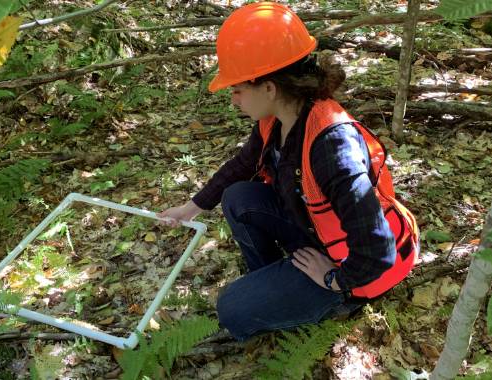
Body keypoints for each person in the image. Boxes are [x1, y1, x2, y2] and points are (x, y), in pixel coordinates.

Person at [158, 2, 419, 341]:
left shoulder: (332, 147)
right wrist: (190, 208)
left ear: (269, 87)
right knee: (238, 197)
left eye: (237, 89)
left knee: (231, 308)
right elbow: (242, 166)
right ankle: (277, 286)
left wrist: (334, 278)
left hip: (352, 264)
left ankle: (335, 301)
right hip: (314, 230)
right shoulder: (278, 116)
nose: (233, 99)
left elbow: (377, 249)